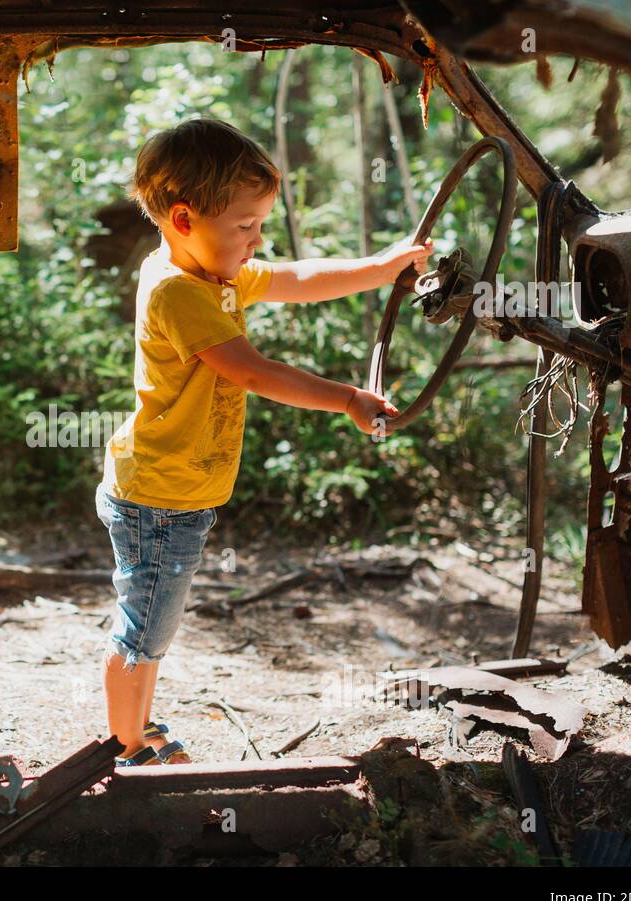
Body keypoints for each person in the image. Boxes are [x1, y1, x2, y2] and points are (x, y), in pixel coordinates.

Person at [96, 117, 433, 766]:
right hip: (159, 498)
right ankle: (125, 745)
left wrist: (382, 268)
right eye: (245, 226)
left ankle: (134, 725)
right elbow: (253, 370)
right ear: (186, 219)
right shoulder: (180, 292)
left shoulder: (209, 273)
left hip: (176, 493)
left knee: (154, 621)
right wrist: (346, 398)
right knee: (144, 630)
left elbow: (296, 280)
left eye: (259, 225)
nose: (257, 240)